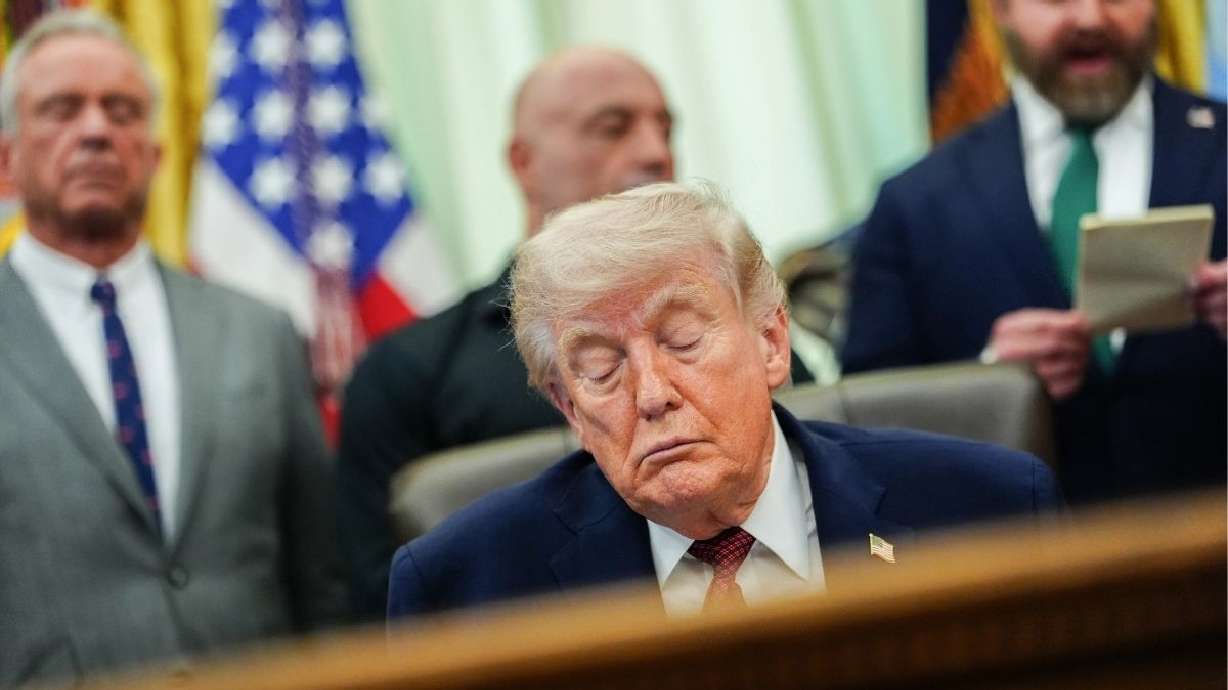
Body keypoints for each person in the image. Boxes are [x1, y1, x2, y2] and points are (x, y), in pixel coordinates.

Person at [387, 182, 1061, 619]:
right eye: (601, 368)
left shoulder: (987, 511)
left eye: (682, 342)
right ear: (568, 408)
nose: (652, 395)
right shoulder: (464, 592)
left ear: (771, 342)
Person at [338, 47, 816, 619]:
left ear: (771, 343)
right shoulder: (408, 374)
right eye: (612, 128)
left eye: (665, 128)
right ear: (523, 162)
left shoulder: (739, 330)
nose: (655, 152)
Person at [0, 11, 346, 686]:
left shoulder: (259, 332)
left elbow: (322, 576)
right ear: (6, 160)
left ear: (155, 156)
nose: (96, 130)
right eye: (61, 109)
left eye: (122, 110)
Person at [842, 0, 1226, 503]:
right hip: (1025, 560)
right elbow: (862, 425)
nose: (1090, 19)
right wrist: (990, 380)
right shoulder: (913, 204)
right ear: (999, 9)